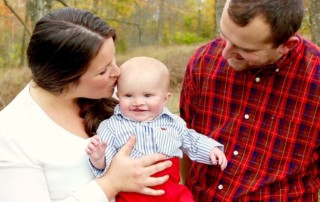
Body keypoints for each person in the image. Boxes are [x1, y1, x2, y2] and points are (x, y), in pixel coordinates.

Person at [0, 8, 173, 202]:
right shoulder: (11, 135)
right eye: (103, 71)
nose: (117, 72)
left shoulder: (121, 94)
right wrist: (111, 183)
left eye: (114, 59)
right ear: (65, 79)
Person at [180, 0, 320, 201]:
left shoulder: (315, 78)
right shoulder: (203, 60)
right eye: (224, 36)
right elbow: (185, 137)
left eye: (245, 49)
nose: (225, 53)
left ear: (286, 46)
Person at [85, 56, 228, 202]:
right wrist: (98, 159)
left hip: (170, 191)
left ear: (165, 98)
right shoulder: (111, 126)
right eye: (128, 95)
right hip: (132, 193)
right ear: (118, 95)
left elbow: (191, 139)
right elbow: (108, 165)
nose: (138, 102)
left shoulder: (173, 123)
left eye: (147, 95)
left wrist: (211, 149)